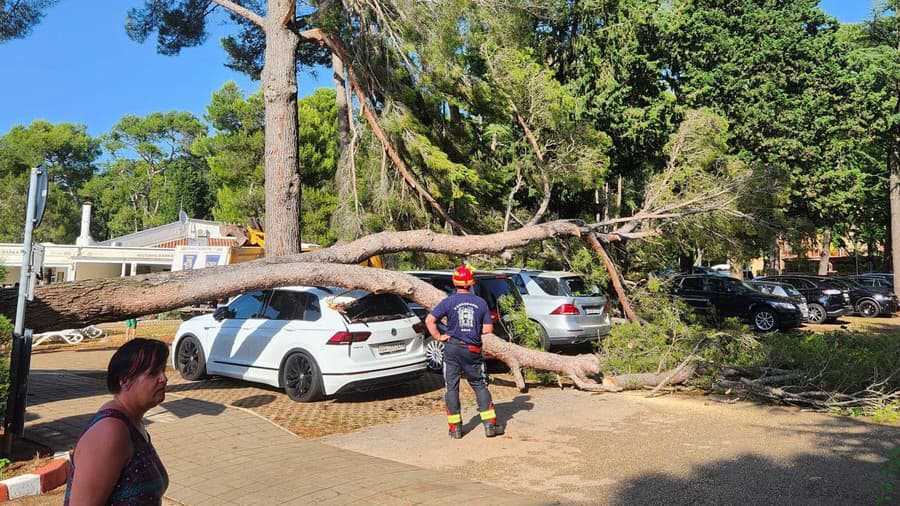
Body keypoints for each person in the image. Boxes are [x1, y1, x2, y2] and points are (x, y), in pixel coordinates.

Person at [65, 338, 169, 505]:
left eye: (163, 370)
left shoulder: (132, 422)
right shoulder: (110, 432)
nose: (164, 378)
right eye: (153, 373)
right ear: (125, 381)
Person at [425, 265, 504, 439]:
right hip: (472, 350)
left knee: (451, 388)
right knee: (479, 385)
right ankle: (490, 426)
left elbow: (430, 320)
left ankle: (456, 429)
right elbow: (489, 328)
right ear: (471, 283)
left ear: (454, 282)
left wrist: (439, 337)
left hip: (452, 349)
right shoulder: (480, 303)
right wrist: (474, 330)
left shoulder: (448, 302)